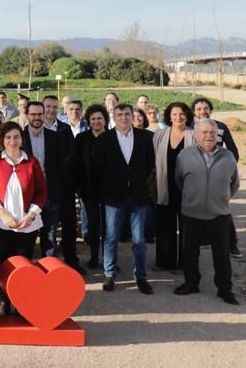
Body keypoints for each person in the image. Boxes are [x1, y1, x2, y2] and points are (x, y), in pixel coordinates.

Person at [174, 119, 242, 304]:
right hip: (191, 212)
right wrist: (192, 197)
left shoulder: (228, 157)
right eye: (204, 132)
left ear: (217, 135)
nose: (208, 136)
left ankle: (225, 289)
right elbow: (179, 180)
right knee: (189, 252)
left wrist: (220, 198)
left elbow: (234, 184)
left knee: (221, 254)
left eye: (212, 133)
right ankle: (191, 283)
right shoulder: (184, 155)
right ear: (196, 135)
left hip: (219, 213)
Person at [0, 122, 46, 316]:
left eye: (16, 137)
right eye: (8, 137)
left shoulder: (32, 163)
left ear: (21, 139)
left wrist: (31, 215)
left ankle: (20, 301)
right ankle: (3, 302)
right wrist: (2, 214)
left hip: (26, 224)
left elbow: (42, 192)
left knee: (23, 264)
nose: (12, 141)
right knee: (1, 263)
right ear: (1, 139)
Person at [94, 104, 156, 294]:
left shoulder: (146, 137)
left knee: (139, 240)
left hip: (138, 195)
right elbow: (99, 167)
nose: (123, 118)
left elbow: (149, 165)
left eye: (127, 114)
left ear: (133, 116)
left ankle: (141, 276)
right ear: (113, 117)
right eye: (119, 114)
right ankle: (110, 274)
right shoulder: (104, 139)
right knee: (111, 237)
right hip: (113, 197)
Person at [21, 101, 73, 267]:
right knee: (27, 234)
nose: (37, 117)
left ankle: (49, 270)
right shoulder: (18, 137)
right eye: (33, 114)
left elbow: (60, 167)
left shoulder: (55, 137)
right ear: (27, 115)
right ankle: (26, 270)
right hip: (26, 196)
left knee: (49, 234)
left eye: (39, 114)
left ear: (44, 115)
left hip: (51, 193)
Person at [192, 97, 242, 257]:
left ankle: (231, 243)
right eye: (199, 109)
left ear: (211, 110)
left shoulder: (221, 127)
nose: (202, 111)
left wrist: (227, 168)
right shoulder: (189, 128)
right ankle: (199, 242)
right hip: (196, 176)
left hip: (217, 176)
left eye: (205, 108)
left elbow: (233, 150)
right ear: (194, 111)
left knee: (222, 210)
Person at [152, 102, 195, 272]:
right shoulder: (159, 135)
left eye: (182, 113)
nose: (178, 117)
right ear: (169, 116)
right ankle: (164, 262)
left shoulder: (194, 135)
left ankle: (184, 263)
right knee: (164, 224)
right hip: (164, 184)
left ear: (187, 116)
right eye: (175, 114)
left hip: (187, 187)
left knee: (186, 225)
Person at [75, 104, 109, 269]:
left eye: (99, 118)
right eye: (93, 119)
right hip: (88, 191)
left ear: (105, 120)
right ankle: (94, 257)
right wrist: (78, 187)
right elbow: (77, 164)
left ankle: (109, 259)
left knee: (109, 226)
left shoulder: (113, 138)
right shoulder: (81, 139)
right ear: (88, 121)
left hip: (110, 191)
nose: (96, 121)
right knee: (94, 225)